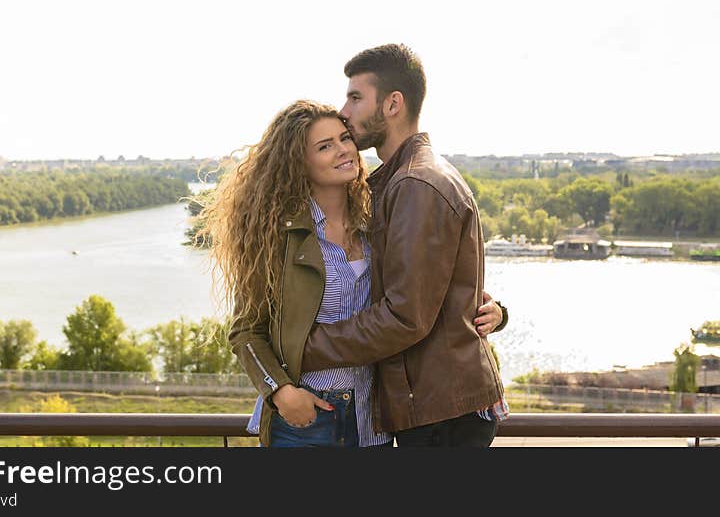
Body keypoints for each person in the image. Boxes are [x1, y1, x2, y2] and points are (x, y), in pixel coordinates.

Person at [195, 100, 502, 447]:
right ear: (299, 161)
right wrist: (280, 392)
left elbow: (426, 292)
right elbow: (246, 331)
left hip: (373, 419)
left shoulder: (379, 222)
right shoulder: (278, 236)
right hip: (306, 416)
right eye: (325, 146)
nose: (344, 151)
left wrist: (494, 311)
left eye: (345, 138)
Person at [300, 43, 509, 447]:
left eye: (356, 97)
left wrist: (303, 348)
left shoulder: (416, 185)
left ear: (392, 104)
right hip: (433, 405)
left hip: (442, 413)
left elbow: (404, 317)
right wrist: (492, 310)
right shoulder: (394, 182)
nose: (344, 110)